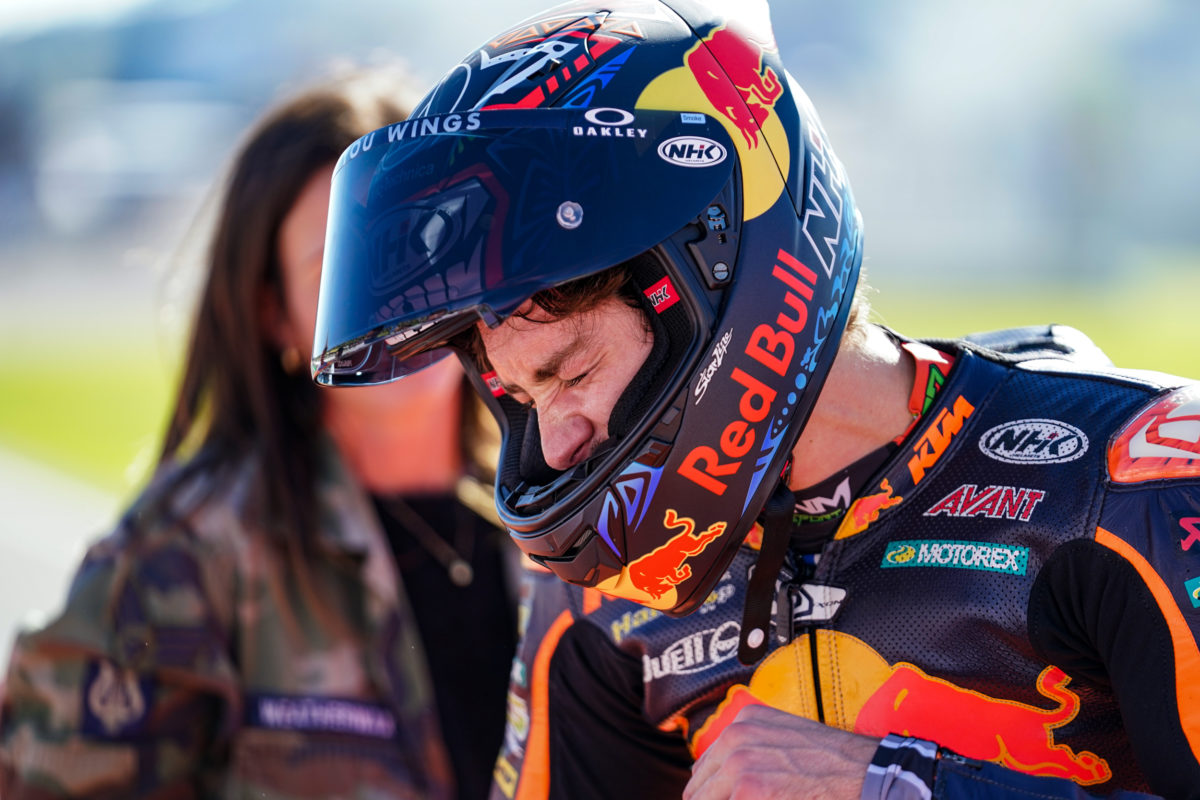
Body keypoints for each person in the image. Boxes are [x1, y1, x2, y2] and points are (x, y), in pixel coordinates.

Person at [310, 2, 1200, 798]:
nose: (558, 442)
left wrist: (898, 787)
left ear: (711, 282)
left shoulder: (1132, 483)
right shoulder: (597, 599)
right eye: (518, 397)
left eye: (572, 374)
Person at [0, 68, 519, 799]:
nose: (405, 294)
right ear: (275, 316)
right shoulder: (185, 552)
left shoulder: (571, 510)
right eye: (349, 267)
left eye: (431, 240)